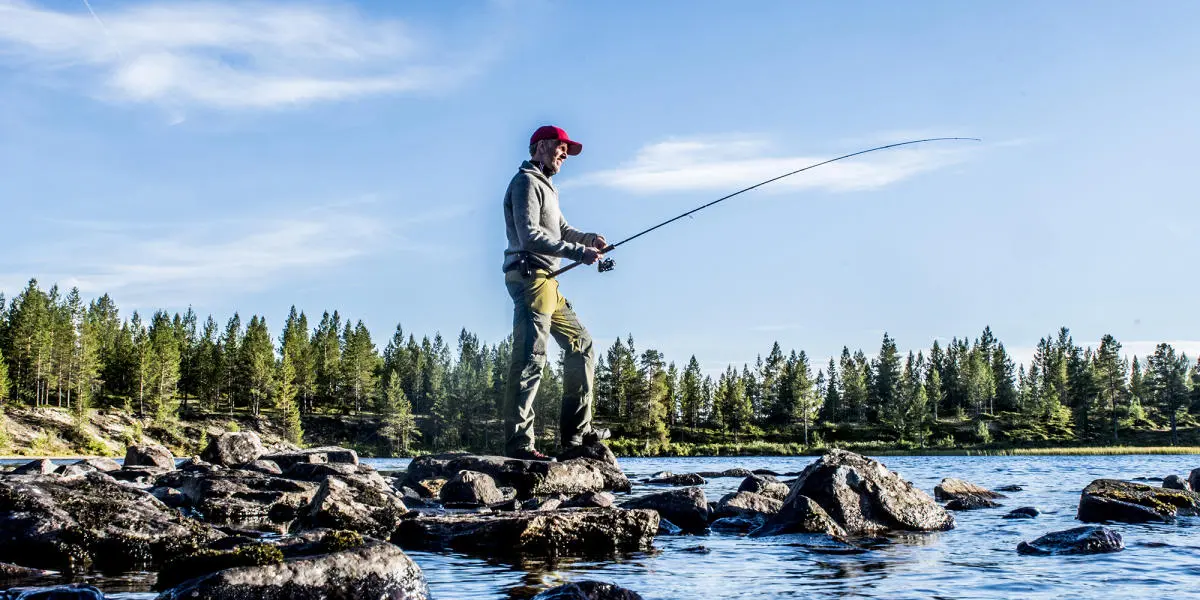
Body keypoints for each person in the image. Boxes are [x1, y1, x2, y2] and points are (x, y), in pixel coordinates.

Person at [501, 125, 611, 460]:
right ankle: (520, 445)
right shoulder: (525, 182)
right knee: (531, 359)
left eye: (566, 150)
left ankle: (576, 437)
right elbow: (530, 234)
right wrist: (578, 254)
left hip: (549, 281)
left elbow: (561, 229)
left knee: (583, 345)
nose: (564, 155)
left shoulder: (548, 187)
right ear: (542, 146)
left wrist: (589, 239)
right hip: (531, 278)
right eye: (561, 148)